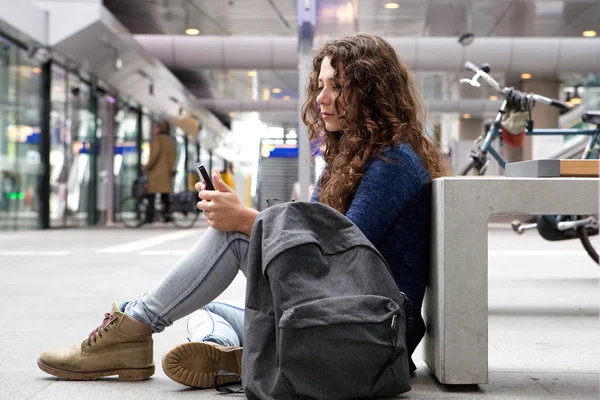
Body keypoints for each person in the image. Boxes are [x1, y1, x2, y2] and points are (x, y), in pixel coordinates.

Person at [37, 33, 450, 388]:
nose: (321, 98)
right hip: (349, 313)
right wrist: (254, 219)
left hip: (374, 330)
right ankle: (228, 355)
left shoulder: (393, 161)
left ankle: (131, 331)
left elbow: (340, 251)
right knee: (201, 304)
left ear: (371, 91)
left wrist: (246, 221)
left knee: (233, 237)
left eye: (336, 86)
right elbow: (326, 245)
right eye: (320, 85)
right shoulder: (360, 157)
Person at [142, 120, 176, 223]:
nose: (153, 130)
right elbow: (173, 157)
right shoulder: (170, 142)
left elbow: (154, 156)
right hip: (166, 173)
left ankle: (149, 217)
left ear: (159, 129)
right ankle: (167, 215)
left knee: (151, 196)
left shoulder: (157, 140)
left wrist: (146, 167)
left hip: (156, 173)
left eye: (155, 128)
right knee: (164, 195)